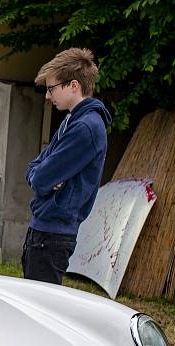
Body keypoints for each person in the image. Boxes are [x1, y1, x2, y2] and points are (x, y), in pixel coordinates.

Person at [23, 48, 111, 285]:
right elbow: (36, 168)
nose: (48, 96)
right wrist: (40, 177)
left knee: (40, 311)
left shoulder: (86, 127)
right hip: (44, 228)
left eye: (51, 89)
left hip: (54, 232)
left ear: (73, 85)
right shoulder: (73, 120)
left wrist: (41, 178)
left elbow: (41, 179)